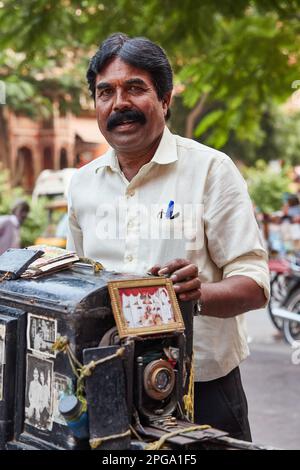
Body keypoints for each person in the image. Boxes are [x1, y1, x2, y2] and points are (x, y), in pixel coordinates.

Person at [67, 33, 270, 440]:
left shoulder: (211, 171)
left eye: (135, 88)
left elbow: (256, 284)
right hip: (107, 389)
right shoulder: (81, 184)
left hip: (202, 393)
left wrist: (198, 297)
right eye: (105, 91)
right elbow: (76, 284)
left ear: (165, 99)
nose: (119, 103)